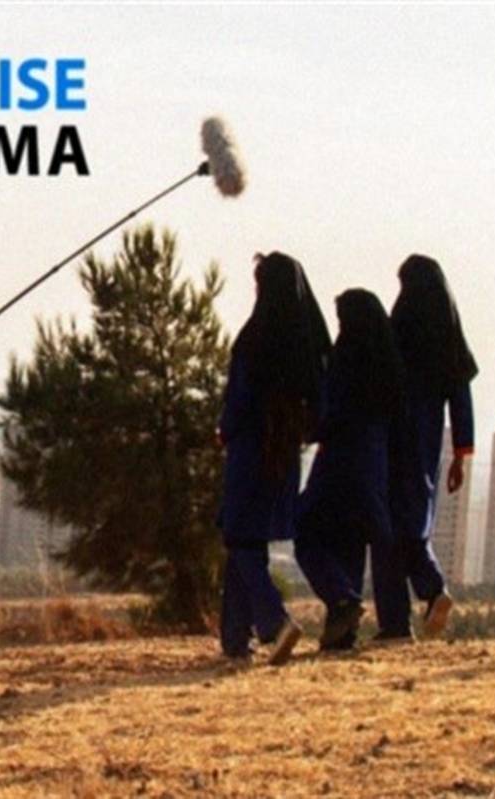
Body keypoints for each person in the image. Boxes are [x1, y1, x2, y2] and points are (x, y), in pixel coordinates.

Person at [217, 252, 330, 665]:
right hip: (285, 456)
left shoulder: (254, 341)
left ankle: (273, 621)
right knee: (250, 541)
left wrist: (225, 430)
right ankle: (235, 640)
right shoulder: (309, 349)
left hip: (250, 450)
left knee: (238, 536)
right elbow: (320, 408)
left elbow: (239, 400)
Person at [375, 255, 478, 641]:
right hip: (427, 444)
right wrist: (460, 456)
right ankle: (432, 591)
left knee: (387, 528)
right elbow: (461, 400)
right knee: (414, 521)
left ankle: (397, 621)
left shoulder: (397, 328)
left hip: (390, 440)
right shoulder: (449, 341)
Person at [295, 290, 404, 650]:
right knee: (351, 544)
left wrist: (305, 430)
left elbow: (332, 412)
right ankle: (342, 633)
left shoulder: (345, 360)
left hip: (338, 462)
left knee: (305, 530)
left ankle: (341, 600)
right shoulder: (389, 367)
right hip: (373, 468)